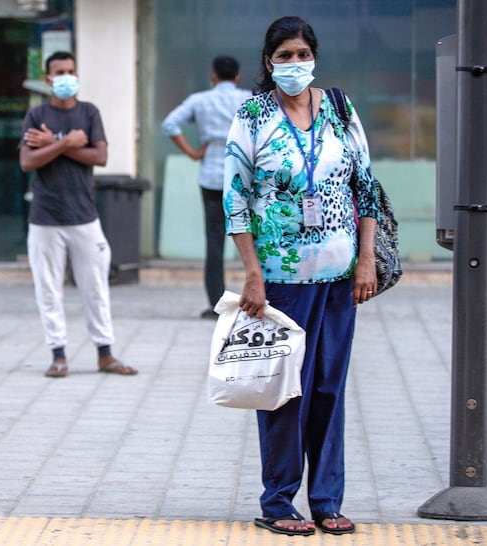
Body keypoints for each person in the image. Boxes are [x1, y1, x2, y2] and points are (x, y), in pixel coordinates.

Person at [223, 16, 380, 536]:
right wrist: (251, 275)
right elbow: (235, 201)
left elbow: (366, 187)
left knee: (329, 389)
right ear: (269, 61)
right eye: (284, 56)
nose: (295, 64)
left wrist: (366, 259)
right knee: (285, 391)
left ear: (315, 56)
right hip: (280, 278)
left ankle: (327, 500)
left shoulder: (339, 108)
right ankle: (278, 501)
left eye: (302, 54)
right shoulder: (252, 115)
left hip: (338, 275)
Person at [19, 51, 137, 378]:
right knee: (48, 289)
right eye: (59, 72)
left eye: (71, 70)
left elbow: (99, 156)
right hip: (45, 218)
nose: (66, 77)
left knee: (96, 287)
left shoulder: (88, 112)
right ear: (48, 79)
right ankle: (58, 355)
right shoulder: (36, 115)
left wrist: (52, 144)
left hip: (84, 217)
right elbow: (28, 162)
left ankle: (105, 353)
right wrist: (67, 143)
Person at [162, 56, 251, 320]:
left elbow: (170, 124)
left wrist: (192, 152)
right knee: (256, 239)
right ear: (238, 77)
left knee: (214, 242)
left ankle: (216, 304)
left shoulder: (199, 100)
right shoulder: (249, 99)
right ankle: (263, 295)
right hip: (245, 178)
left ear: (213, 76)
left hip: (212, 177)